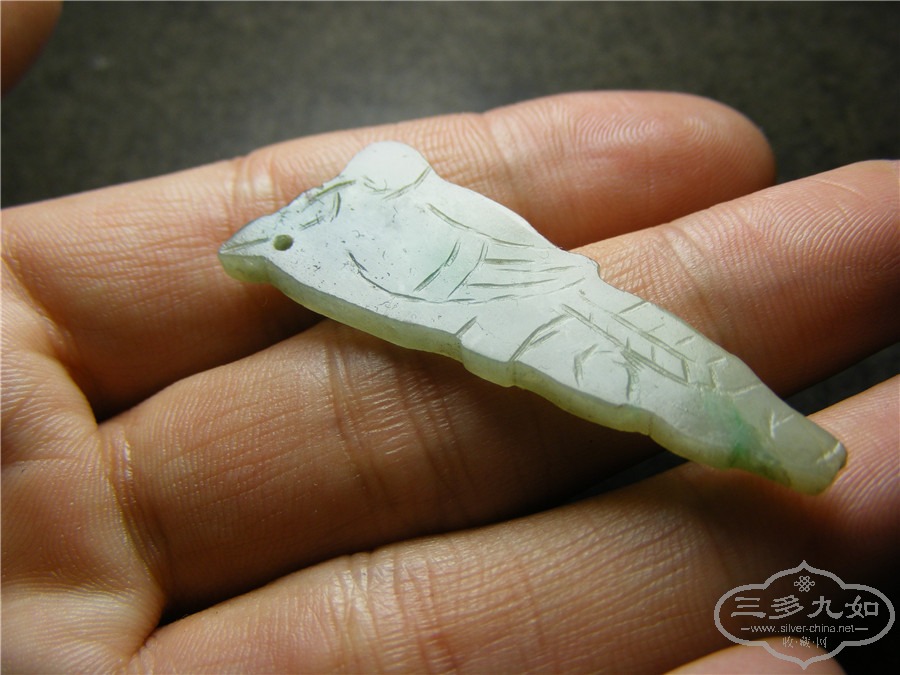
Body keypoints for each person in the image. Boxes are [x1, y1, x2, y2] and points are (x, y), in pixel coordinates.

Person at [2, 4, 897, 672]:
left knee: (657, 355)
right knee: (638, 369)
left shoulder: (385, 181)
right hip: (510, 321)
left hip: (547, 291)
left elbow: (398, 180)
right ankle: (781, 443)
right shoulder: (310, 238)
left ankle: (785, 441)